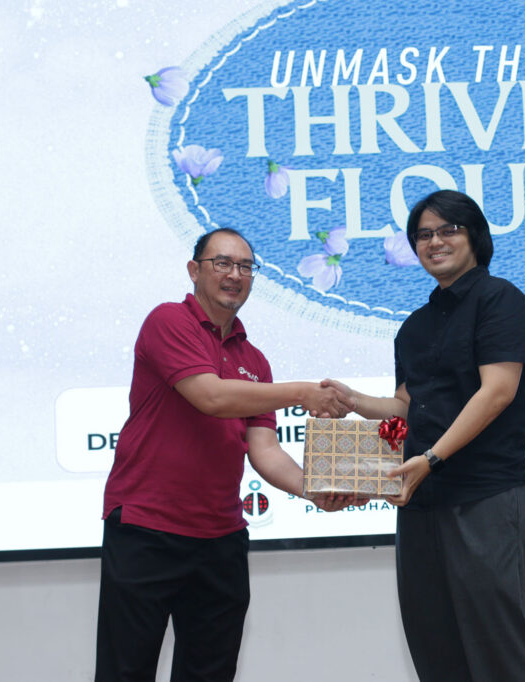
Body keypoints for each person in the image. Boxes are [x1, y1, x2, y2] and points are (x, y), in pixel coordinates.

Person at [95, 227, 357, 682]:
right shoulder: (168, 321)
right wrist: (301, 392)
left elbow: (265, 451)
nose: (234, 274)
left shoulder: (254, 361)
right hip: (147, 530)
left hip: (221, 540)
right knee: (125, 671)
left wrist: (314, 489)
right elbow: (211, 397)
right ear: (194, 270)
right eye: (222, 263)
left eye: (245, 267)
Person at [324, 190, 525, 681]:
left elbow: (497, 392)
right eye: (423, 235)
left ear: (475, 236)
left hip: (484, 496)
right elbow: (406, 409)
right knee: (435, 649)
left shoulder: (500, 300)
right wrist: (353, 400)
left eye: (449, 230)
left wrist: (431, 458)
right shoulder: (414, 327)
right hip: (421, 503)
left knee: (498, 651)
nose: (434, 242)